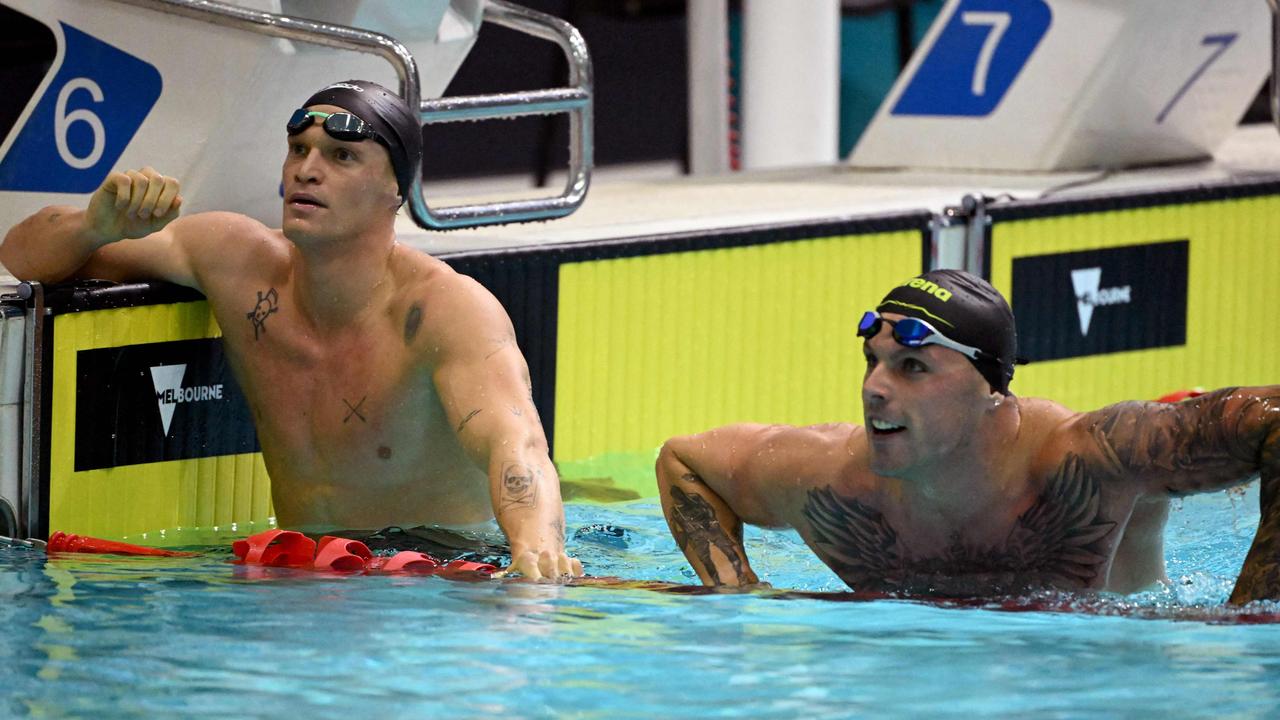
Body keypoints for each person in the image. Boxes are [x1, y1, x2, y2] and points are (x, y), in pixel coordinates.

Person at [0, 80, 580, 579]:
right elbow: (21, 256)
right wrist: (94, 225)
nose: (307, 169)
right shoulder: (234, 261)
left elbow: (518, 442)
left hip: (440, 572)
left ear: (396, 191)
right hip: (301, 566)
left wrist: (537, 551)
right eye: (299, 149)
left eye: (342, 156)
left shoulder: (442, 310)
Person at [655, 269, 1279, 603]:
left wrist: (1253, 616)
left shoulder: (1090, 459)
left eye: (912, 367)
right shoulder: (831, 481)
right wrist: (735, 595)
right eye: (872, 361)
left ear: (992, 392)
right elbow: (685, 460)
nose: (875, 387)